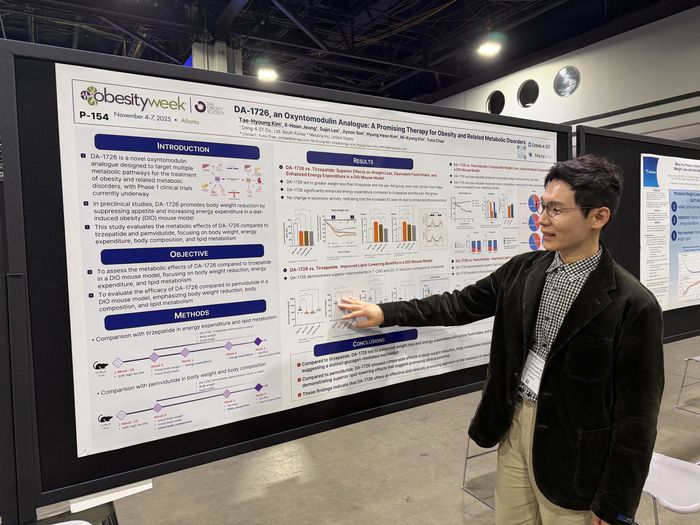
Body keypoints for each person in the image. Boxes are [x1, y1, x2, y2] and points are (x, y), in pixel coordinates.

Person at [339, 155, 664, 525]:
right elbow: (460, 304)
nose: (542, 219)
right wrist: (385, 313)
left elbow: (637, 418)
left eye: (556, 209)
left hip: (575, 454)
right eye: (543, 205)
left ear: (598, 217)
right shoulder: (523, 270)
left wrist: (614, 505)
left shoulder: (633, 304)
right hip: (514, 426)